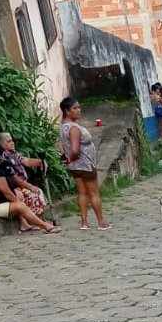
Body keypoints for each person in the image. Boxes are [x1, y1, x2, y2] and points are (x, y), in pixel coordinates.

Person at [0, 144, 60, 234]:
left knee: (19, 194)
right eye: (2, 154)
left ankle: (24, 224)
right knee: (20, 206)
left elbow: (13, 177)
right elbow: (6, 192)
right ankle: (45, 225)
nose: (4, 157)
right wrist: (19, 204)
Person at [60, 97, 111, 230]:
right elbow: (75, 150)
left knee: (82, 192)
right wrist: (71, 157)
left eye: (79, 107)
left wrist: (68, 159)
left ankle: (84, 222)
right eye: (75, 108)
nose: (78, 110)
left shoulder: (63, 126)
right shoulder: (73, 128)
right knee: (94, 193)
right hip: (85, 164)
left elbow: (63, 146)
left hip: (76, 167)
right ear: (67, 111)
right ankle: (101, 222)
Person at [0, 132, 49, 232]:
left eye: (12, 141)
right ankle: (33, 221)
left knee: (37, 192)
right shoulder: (2, 157)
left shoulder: (14, 154)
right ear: (1, 144)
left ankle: (39, 220)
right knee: (33, 193)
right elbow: (13, 177)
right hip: (14, 185)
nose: (12, 143)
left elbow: (27, 161)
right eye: (8, 141)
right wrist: (29, 186)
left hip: (22, 184)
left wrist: (40, 162)